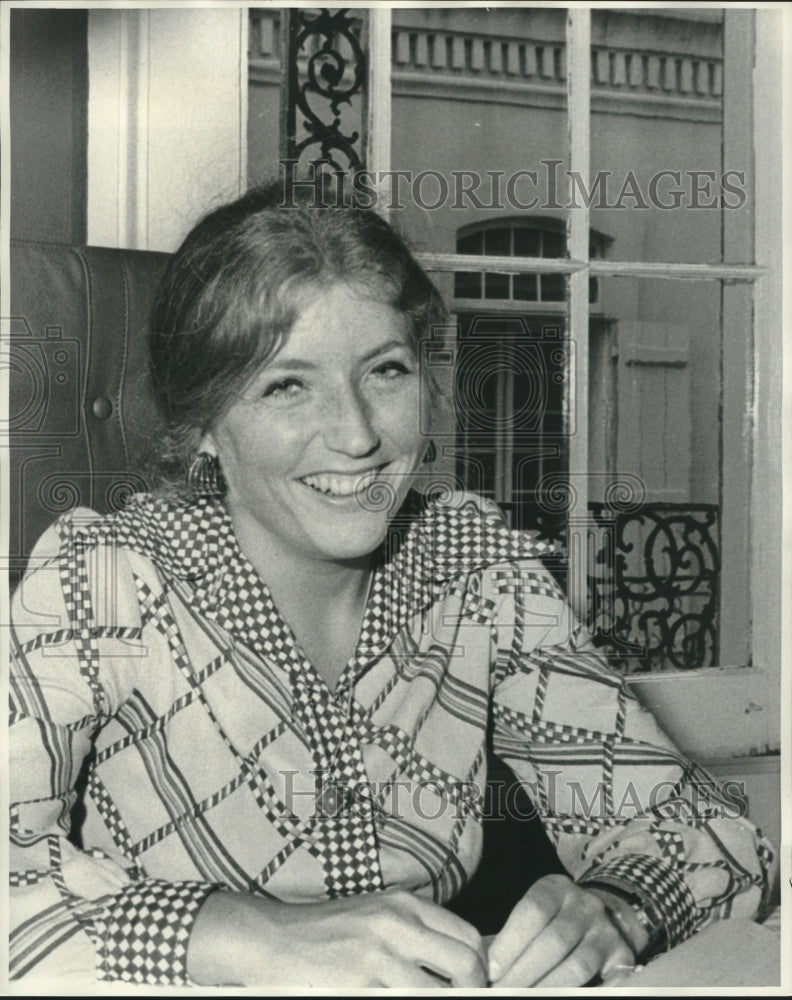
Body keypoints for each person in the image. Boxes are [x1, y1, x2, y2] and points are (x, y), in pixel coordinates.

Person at [9, 183, 773, 989]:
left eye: (385, 370)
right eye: (285, 385)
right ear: (202, 423)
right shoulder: (105, 580)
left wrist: (618, 905)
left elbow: (705, 832)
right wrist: (250, 935)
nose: (359, 435)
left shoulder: (476, 568)